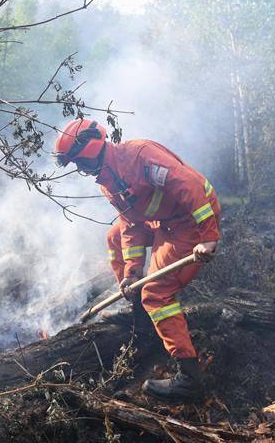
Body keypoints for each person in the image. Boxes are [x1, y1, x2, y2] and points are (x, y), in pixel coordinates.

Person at [53, 118, 221, 402]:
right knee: (114, 238)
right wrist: (131, 274)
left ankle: (189, 378)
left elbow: (188, 185)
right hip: (165, 221)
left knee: (157, 293)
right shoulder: (107, 181)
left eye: (79, 162)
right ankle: (140, 315)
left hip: (190, 219)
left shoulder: (140, 157)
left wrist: (208, 235)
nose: (80, 169)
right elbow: (131, 225)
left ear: (89, 151)